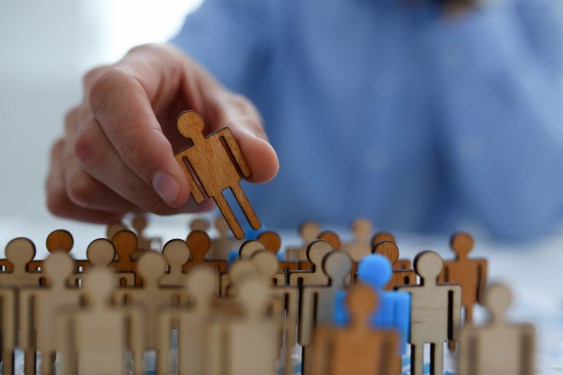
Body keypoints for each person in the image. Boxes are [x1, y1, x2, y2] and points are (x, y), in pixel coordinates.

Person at [46, 0, 563, 239]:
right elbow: (191, 70)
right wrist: (143, 100)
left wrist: (469, 16)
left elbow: (525, 215)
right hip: (264, 277)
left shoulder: (528, 16)